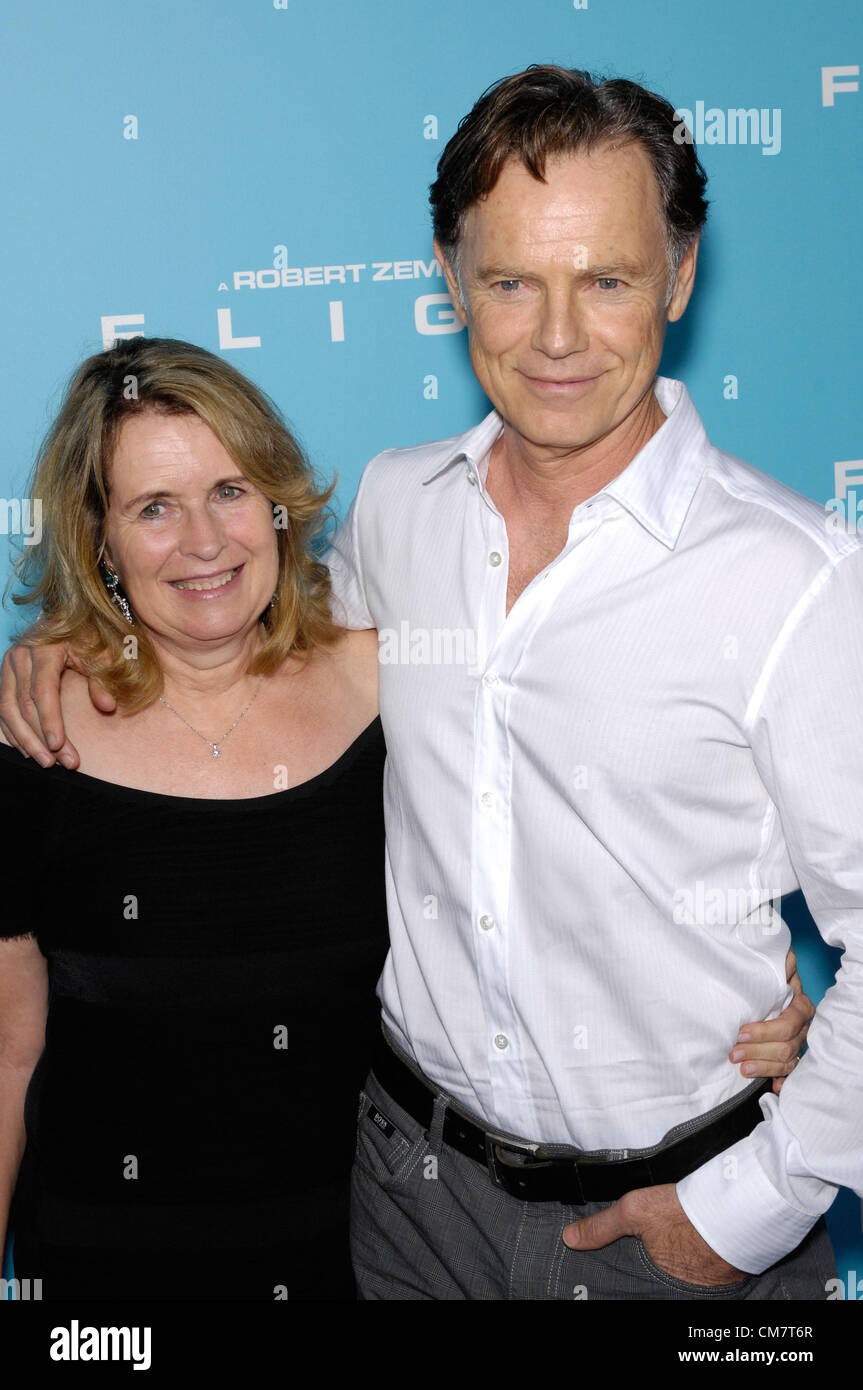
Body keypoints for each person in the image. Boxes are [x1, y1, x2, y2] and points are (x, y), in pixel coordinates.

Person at [0, 70, 826, 1300]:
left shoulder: (798, 578)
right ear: (450, 282)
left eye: (604, 278)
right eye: (509, 281)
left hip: (676, 1214)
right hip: (403, 1215)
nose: (555, 334)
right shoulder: (400, 510)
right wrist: (60, 641)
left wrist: (756, 1184)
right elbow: (237, 619)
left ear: (679, 276)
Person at [0, 336, 386, 1299]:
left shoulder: (394, 688)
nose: (205, 542)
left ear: (278, 504)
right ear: (101, 541)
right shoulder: (33, 742)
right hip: (104, 1275)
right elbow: (8, 1046)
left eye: (229, 490)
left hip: (365, 1261)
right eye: (154, 508)